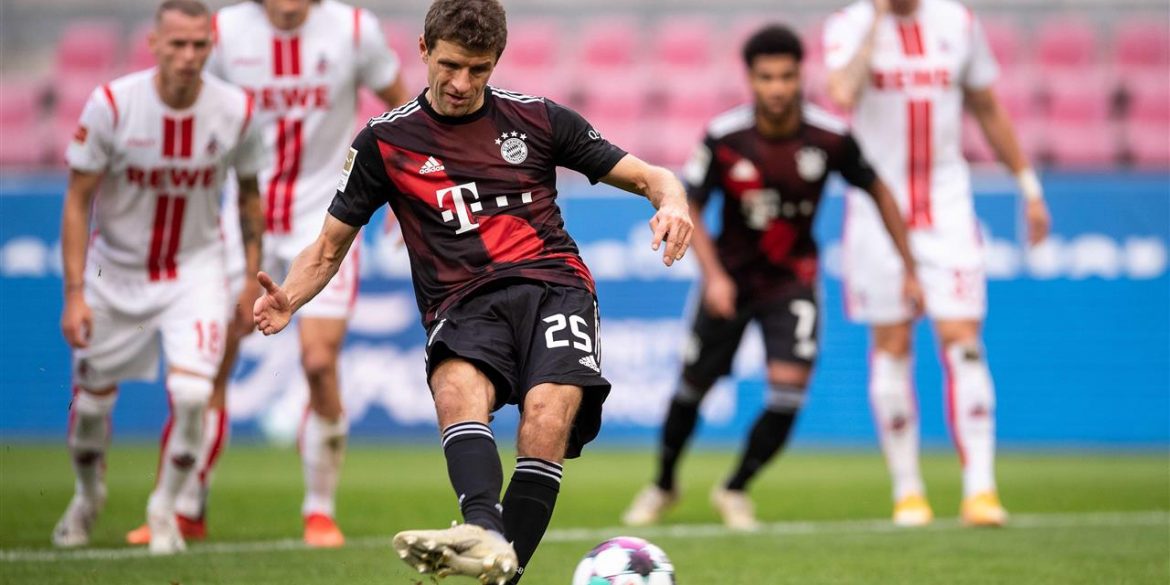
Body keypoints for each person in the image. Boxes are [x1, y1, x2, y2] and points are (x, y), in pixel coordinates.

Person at [251, 0, 692, 581]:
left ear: (496, 62)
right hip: (460, 300)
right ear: (424, 50)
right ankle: (484, 529)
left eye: (478, 69)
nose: (462, 83)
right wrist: (289, 296)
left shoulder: (538, 119)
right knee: (457, 391)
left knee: (546, 418)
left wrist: (673, 203)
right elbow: (328, 248)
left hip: (553, 286)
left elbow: (651, 176)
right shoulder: (385, 142)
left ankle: (490, 550)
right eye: (451, 65)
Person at [125, 0, 409, 548]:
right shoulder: (224, 32)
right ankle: (186, 507)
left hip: (326, 221)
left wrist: (405, 188)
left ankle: (319, 511)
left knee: (319, 362)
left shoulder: (354, 30)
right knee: (211, 362)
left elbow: (403, 109)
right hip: (241, 220)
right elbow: (186, 104)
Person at [621, 24, 922, 531]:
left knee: (789, 391)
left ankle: (735, 488)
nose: (778, 87)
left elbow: (880, 192)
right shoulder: (725, 137)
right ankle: (664, 484)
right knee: (692, 388)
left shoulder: (830, 137)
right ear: (751, 79)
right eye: (767, 77)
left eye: (786, 76)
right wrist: (713, 275)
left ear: (800, 76)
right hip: (731, 280)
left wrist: (910, 268)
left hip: (792, 281)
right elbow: (690, 204)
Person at [823, 0, 1051, 527]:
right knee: (892, 343)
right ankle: (908, 492)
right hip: (877, 208)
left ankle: (981, 490)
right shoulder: (850, 25)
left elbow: (987, 107)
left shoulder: (958, 23)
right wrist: (878, 24)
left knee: (962, 337)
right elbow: (842, 93)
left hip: (947, 206)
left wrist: (1028, 186)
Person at [52, 0, 265, 554]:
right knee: (92, 407)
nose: (189, 55)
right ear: (154, 44)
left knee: (194, 393)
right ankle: (87, 495)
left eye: (199, 44)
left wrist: (248, 278)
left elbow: (249, 196)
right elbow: (77, 201)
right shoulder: (112, 105)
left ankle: (164, 509)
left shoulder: (237, 110)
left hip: (196, 272)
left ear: (211, 47)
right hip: (115, 272)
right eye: (178, 44)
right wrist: (75, 293)